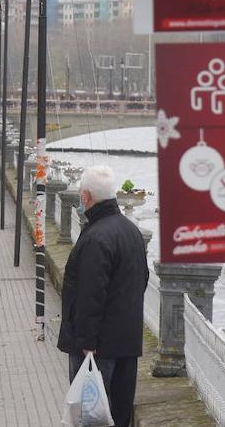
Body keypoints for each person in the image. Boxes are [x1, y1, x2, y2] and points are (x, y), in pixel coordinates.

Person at [57, 165, 150, 427]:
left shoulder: (96, 237)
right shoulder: (131, 231)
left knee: (92, 416)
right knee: (119, 414)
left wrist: (87, 339)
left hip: (98, 348)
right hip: (127, 342)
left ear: (86, 196)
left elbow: (90, 294)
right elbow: (141, 280)